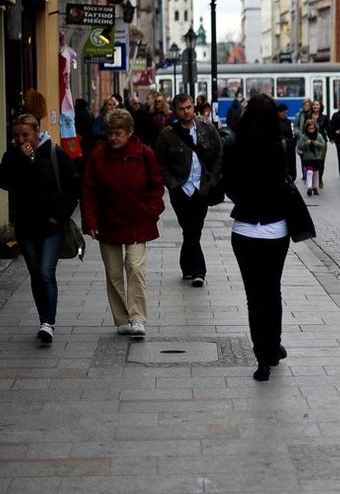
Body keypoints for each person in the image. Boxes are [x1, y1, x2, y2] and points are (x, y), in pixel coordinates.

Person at [222, 94, 295, 381]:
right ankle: (273, 347)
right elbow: (292, 179)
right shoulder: (283, 146)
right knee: (272, 290)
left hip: (244, 229)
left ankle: (261, 358)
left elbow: (227, 185)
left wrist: (245, 198)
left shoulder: (233, 146)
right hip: (276, 229)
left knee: (254, 296)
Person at [81, 109, 165, 337]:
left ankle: (137, 317)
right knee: (114, 273)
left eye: (118, 133)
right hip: (108, 222)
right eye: (110, 133)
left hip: (138, 221)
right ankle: (122, 318)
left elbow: (157, 185)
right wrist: (90, 221)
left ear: (129, 132)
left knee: (136, 269)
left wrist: (152, 211)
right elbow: (88, 190)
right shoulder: (98, 156)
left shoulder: (144, 154)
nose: (113, 138)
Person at [0, 114, 80, 344]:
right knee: (36, 274)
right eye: (16, 135)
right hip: (26, 226)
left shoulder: (54, 153)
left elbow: (73, 186)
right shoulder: (12, 155)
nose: (20, 139)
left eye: (25, 134)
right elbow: (4, 181)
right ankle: (43, 317)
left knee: (46, 272)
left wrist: (60, 215)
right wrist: (19, 159)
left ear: (36, 131)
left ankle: (48, 322)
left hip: (51, 226)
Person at [154, 94, 223, 288]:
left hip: (201, 188)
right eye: (182, 108)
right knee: (190, 227)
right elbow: (159, 161)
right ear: (175, 111)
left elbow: (218, 153)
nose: (187, 111)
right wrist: (172, 183)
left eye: (190, 107)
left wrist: (212, 179)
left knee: (194, 229)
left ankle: (186, 265)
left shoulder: (206, 128)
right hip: (181, 189)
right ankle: (199, 271)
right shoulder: (168, 134)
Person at [297, 119, 326, 196]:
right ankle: (309, 187)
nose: (311, 130)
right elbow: (299, 146)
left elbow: (323, 145)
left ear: (315, 128)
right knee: (309, 172)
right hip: (307, 158)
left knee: (316, 173)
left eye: (312, 128)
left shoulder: (319, 136)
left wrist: (317, 144)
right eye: (309, 129)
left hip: (316, 158)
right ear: (306, 128)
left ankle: (315, 187)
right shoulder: (304, 136)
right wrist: (306, 144)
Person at [312, 99, 329, 189]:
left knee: (321, 162)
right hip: (311, 142)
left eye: (317, 105)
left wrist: (333, 138)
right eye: (314, 105)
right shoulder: (308, 116)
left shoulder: (324, 117)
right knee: (313, 162)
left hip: (322, 142)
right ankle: (313, 179)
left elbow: (328, 129)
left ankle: (320, 179)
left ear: (321, 107)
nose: (315, 106)